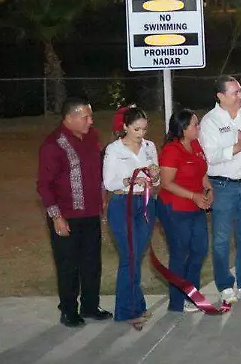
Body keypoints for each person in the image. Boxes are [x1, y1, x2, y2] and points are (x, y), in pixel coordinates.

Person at [37, 98, 111, 328]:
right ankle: (69, 310)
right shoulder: (53, 145)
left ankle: (90, 306)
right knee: (68, 265)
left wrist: (102, 196)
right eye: (86, 117)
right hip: (66, 216)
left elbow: (98, 170)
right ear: (69, 118)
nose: (91, 121)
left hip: (91, 213)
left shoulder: (92, 137)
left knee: (92, 263)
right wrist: (56, 217)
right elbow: (44, 185)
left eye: (91, 116)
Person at [200, 75, 241, 304]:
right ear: (220, 96)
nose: (240, 96)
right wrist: (239, 146)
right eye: (235, 92)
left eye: (240, 91)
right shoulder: (210, 121)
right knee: (221, 239)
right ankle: (225, 285)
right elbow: (210, 156)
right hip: (222, 186)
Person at [102, 106, 159, 329]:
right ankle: (127, 310)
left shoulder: (149, 146)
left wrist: (154, 175)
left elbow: (155, 181)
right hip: (122, 204)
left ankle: (135, 304)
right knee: (130, 256)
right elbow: (109, 183)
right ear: (125, 127)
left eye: (144, 129)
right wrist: (130, 180)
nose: (141, 134)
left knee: (136, 256)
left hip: (145, 204)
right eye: (136, 129)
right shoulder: (114, 149)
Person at [158, 109, 212, 313]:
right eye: (195, 124)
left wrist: (209, 189)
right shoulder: (172, 150)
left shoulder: (196, 144)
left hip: (196, 206)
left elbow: (201, 171)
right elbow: (166, 183)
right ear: (183, 128)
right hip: (175, 208)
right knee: (179, 253)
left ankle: (192, 294)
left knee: (200, 249)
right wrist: (193, 196)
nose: (198, 128)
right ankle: (177, 302)